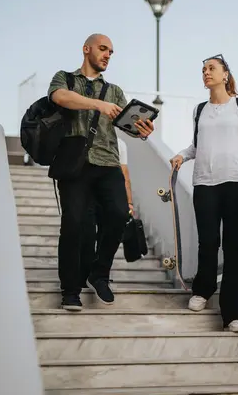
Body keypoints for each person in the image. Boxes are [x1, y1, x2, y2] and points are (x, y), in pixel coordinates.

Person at [47, 33, 154, 311]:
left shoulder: (115, 91)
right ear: (86, 49)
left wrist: (142, 130)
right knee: (73, 224)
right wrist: (97, 104)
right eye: (103, 49)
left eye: (111, 52)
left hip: (108, 163)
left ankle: (99, 272)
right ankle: (70, 290)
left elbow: (125, 125)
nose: (108, 55)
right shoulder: (65, 79)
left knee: (120, 214)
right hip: (75, 165)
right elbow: (61, 98)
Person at [170, 54, 238, 333]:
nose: (206, 73)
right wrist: (181, 155)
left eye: (211, 68)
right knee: (208, 242)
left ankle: (232, 314)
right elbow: (196, 146)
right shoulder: (199, 110)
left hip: (236, 182)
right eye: (203, 69)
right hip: (205, 183)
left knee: (233, 248)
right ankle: (202, 290)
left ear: (226, 74)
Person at [80, 137, 133, 289]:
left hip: (106, 195)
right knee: (88, 231)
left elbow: (124, 175)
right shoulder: (117, 142)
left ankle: (98, 274)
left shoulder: (119, 143)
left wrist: (128, 202)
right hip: (90, 192)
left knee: (102, 231)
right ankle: (87, 273)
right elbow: (125, 175)